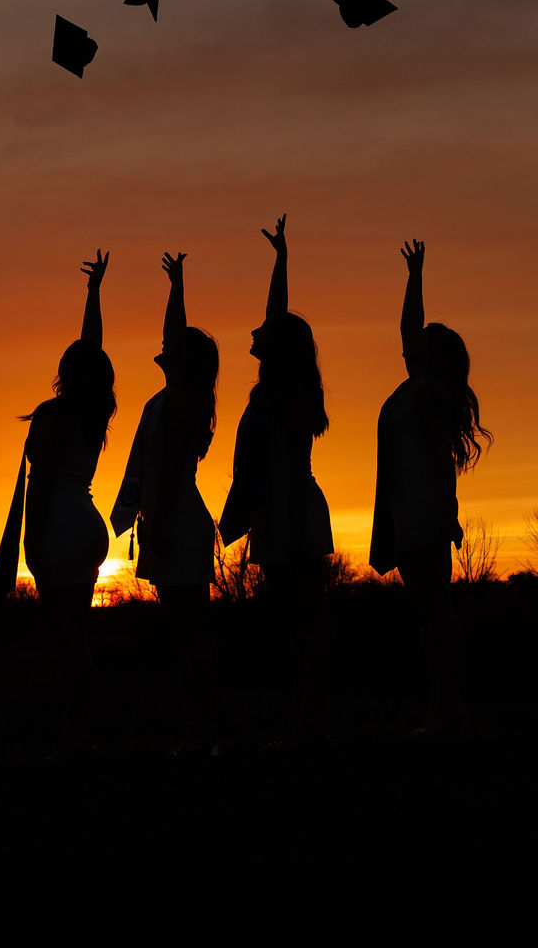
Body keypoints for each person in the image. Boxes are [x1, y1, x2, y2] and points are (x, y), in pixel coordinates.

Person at [219, 214, 333, 749]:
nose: (253, 331)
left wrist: (273, 523)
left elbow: (283, 468)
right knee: (295, 625)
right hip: (283, 511)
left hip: (291, 512)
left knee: (302, 626)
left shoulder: (284, 394)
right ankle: (303, 719)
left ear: (278, 348)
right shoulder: (276, 385)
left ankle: (306, 721)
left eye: (262, 333)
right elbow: (279, 317)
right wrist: (281, 259)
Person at [369, 239, 492, 735]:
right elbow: (406, 328)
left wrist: (445, 513)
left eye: (423, 339)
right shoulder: (413, 385)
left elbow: (442, 459)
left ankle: (450, 707)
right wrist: (414, 274)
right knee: (425, 610)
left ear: (434, 355)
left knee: (436, 608)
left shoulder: (431, 391)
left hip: (425, 513)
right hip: (405, 512)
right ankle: (439, 707)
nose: (411, 340)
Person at [111, 251, 222, 756]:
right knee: (184, 633)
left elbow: (168, 470)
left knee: (189, 635)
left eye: (170, 350)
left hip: (175, 521)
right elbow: (175, 332)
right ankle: (196, 729)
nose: (162, 350)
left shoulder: (178, 403)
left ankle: (201, 730)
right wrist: (177, 285)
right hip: (171, 518)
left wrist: (153, 525)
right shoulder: (178, 396)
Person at [22, 249, 115, 760]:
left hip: (57, 526)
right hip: (88, 524)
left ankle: (73, 735)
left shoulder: (54, 414)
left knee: (62, 639)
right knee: (78, 634)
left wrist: (30, 543)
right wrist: (94, 293)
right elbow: (92, 351)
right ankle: (85, 731)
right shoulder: (95, 410)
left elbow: (39, 485)